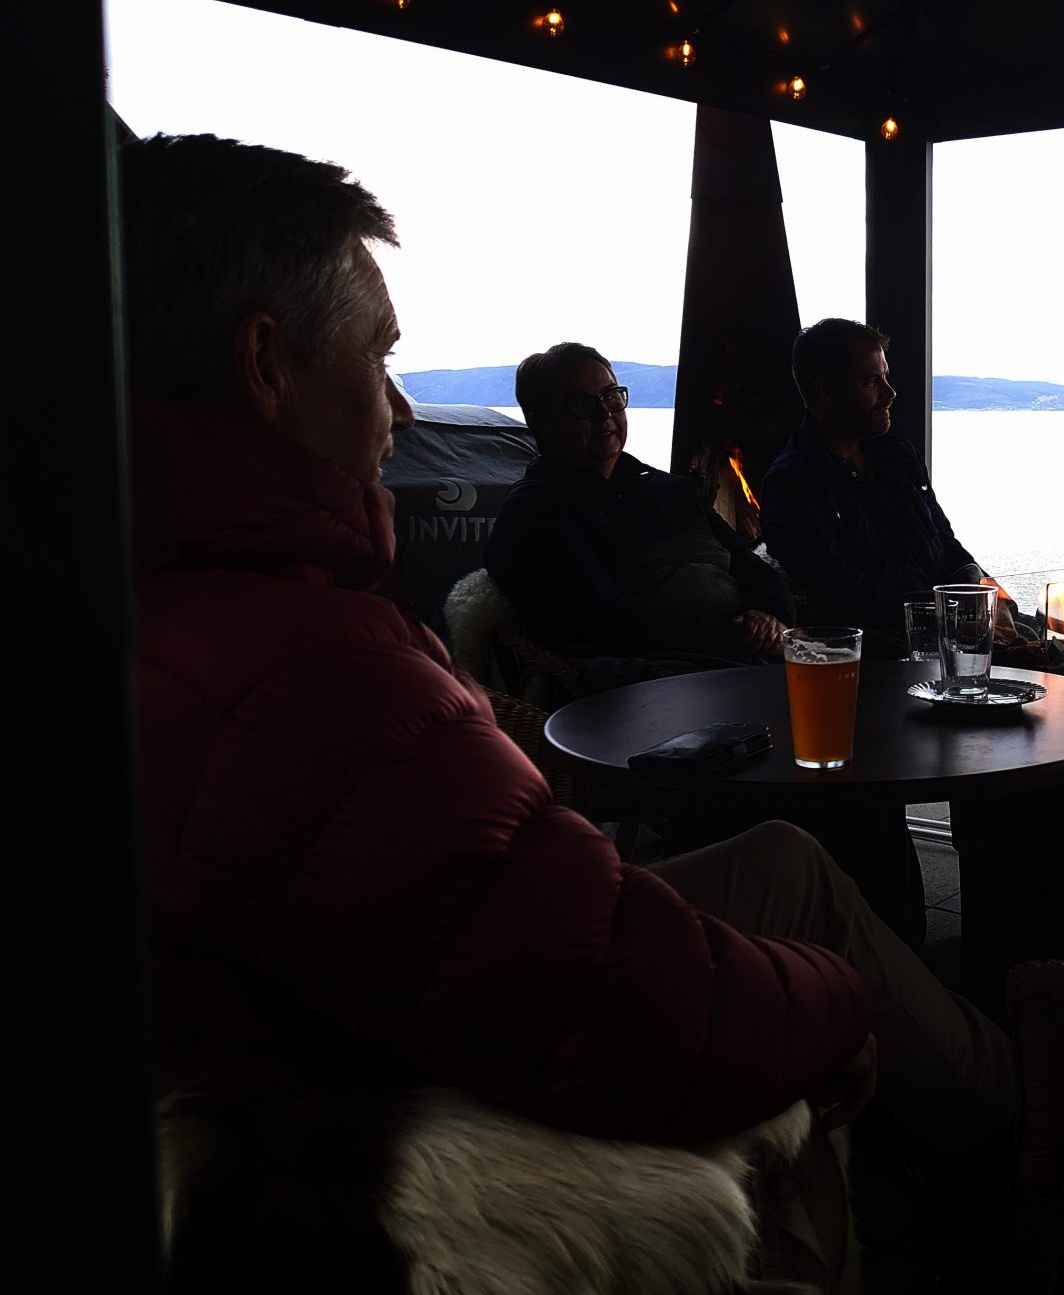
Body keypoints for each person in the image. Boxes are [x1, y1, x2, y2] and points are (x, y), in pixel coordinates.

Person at [124, 135, 1015, 1287]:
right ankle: (1011, 1122)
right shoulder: (303, 671)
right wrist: (836, 1011)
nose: (398, 404)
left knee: (795, 855)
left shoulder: (189, 596)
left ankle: (975, 1096)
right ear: (265, 365)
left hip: (417, 979)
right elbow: (624, 997)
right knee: (827, 928)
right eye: (381, 357)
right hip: (409, 1109)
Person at [485, 343, 794, 666]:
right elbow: (607, 626)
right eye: (581, 404)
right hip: (649, 686)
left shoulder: (670, 489)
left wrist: (770, 617)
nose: (604, 414)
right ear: (541, 422)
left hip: (741, 659)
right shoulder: (535, 511)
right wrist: (742, 640)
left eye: (610, 396)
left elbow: (757, 571)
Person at [760, 318, 994, 638]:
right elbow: (844, 595)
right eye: (871, 381)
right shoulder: (790, 486)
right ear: (826, 391)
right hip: (878, 652)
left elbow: (945, 543)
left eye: (885, 376)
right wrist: (949, 620)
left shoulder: (899, 457)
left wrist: (979, 597)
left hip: (950, 630)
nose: (890, 392)